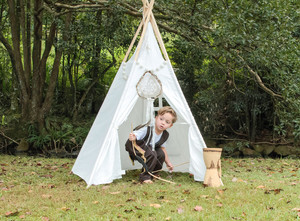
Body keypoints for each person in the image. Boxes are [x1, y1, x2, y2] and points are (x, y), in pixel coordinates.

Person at [125, 106, 177, 184]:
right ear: (156, 118)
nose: (163, 123)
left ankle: (153, 173)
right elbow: (137, 134)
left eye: (167, 122)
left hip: (149, 149)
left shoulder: (165, 134)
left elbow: (163, 148)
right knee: (152, 153)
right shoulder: (148, 128)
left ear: (170, 125)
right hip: (136, 147)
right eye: (161, 119)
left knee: (160, 154)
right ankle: (145, 177)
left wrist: (168, 162)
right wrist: (133, 136)